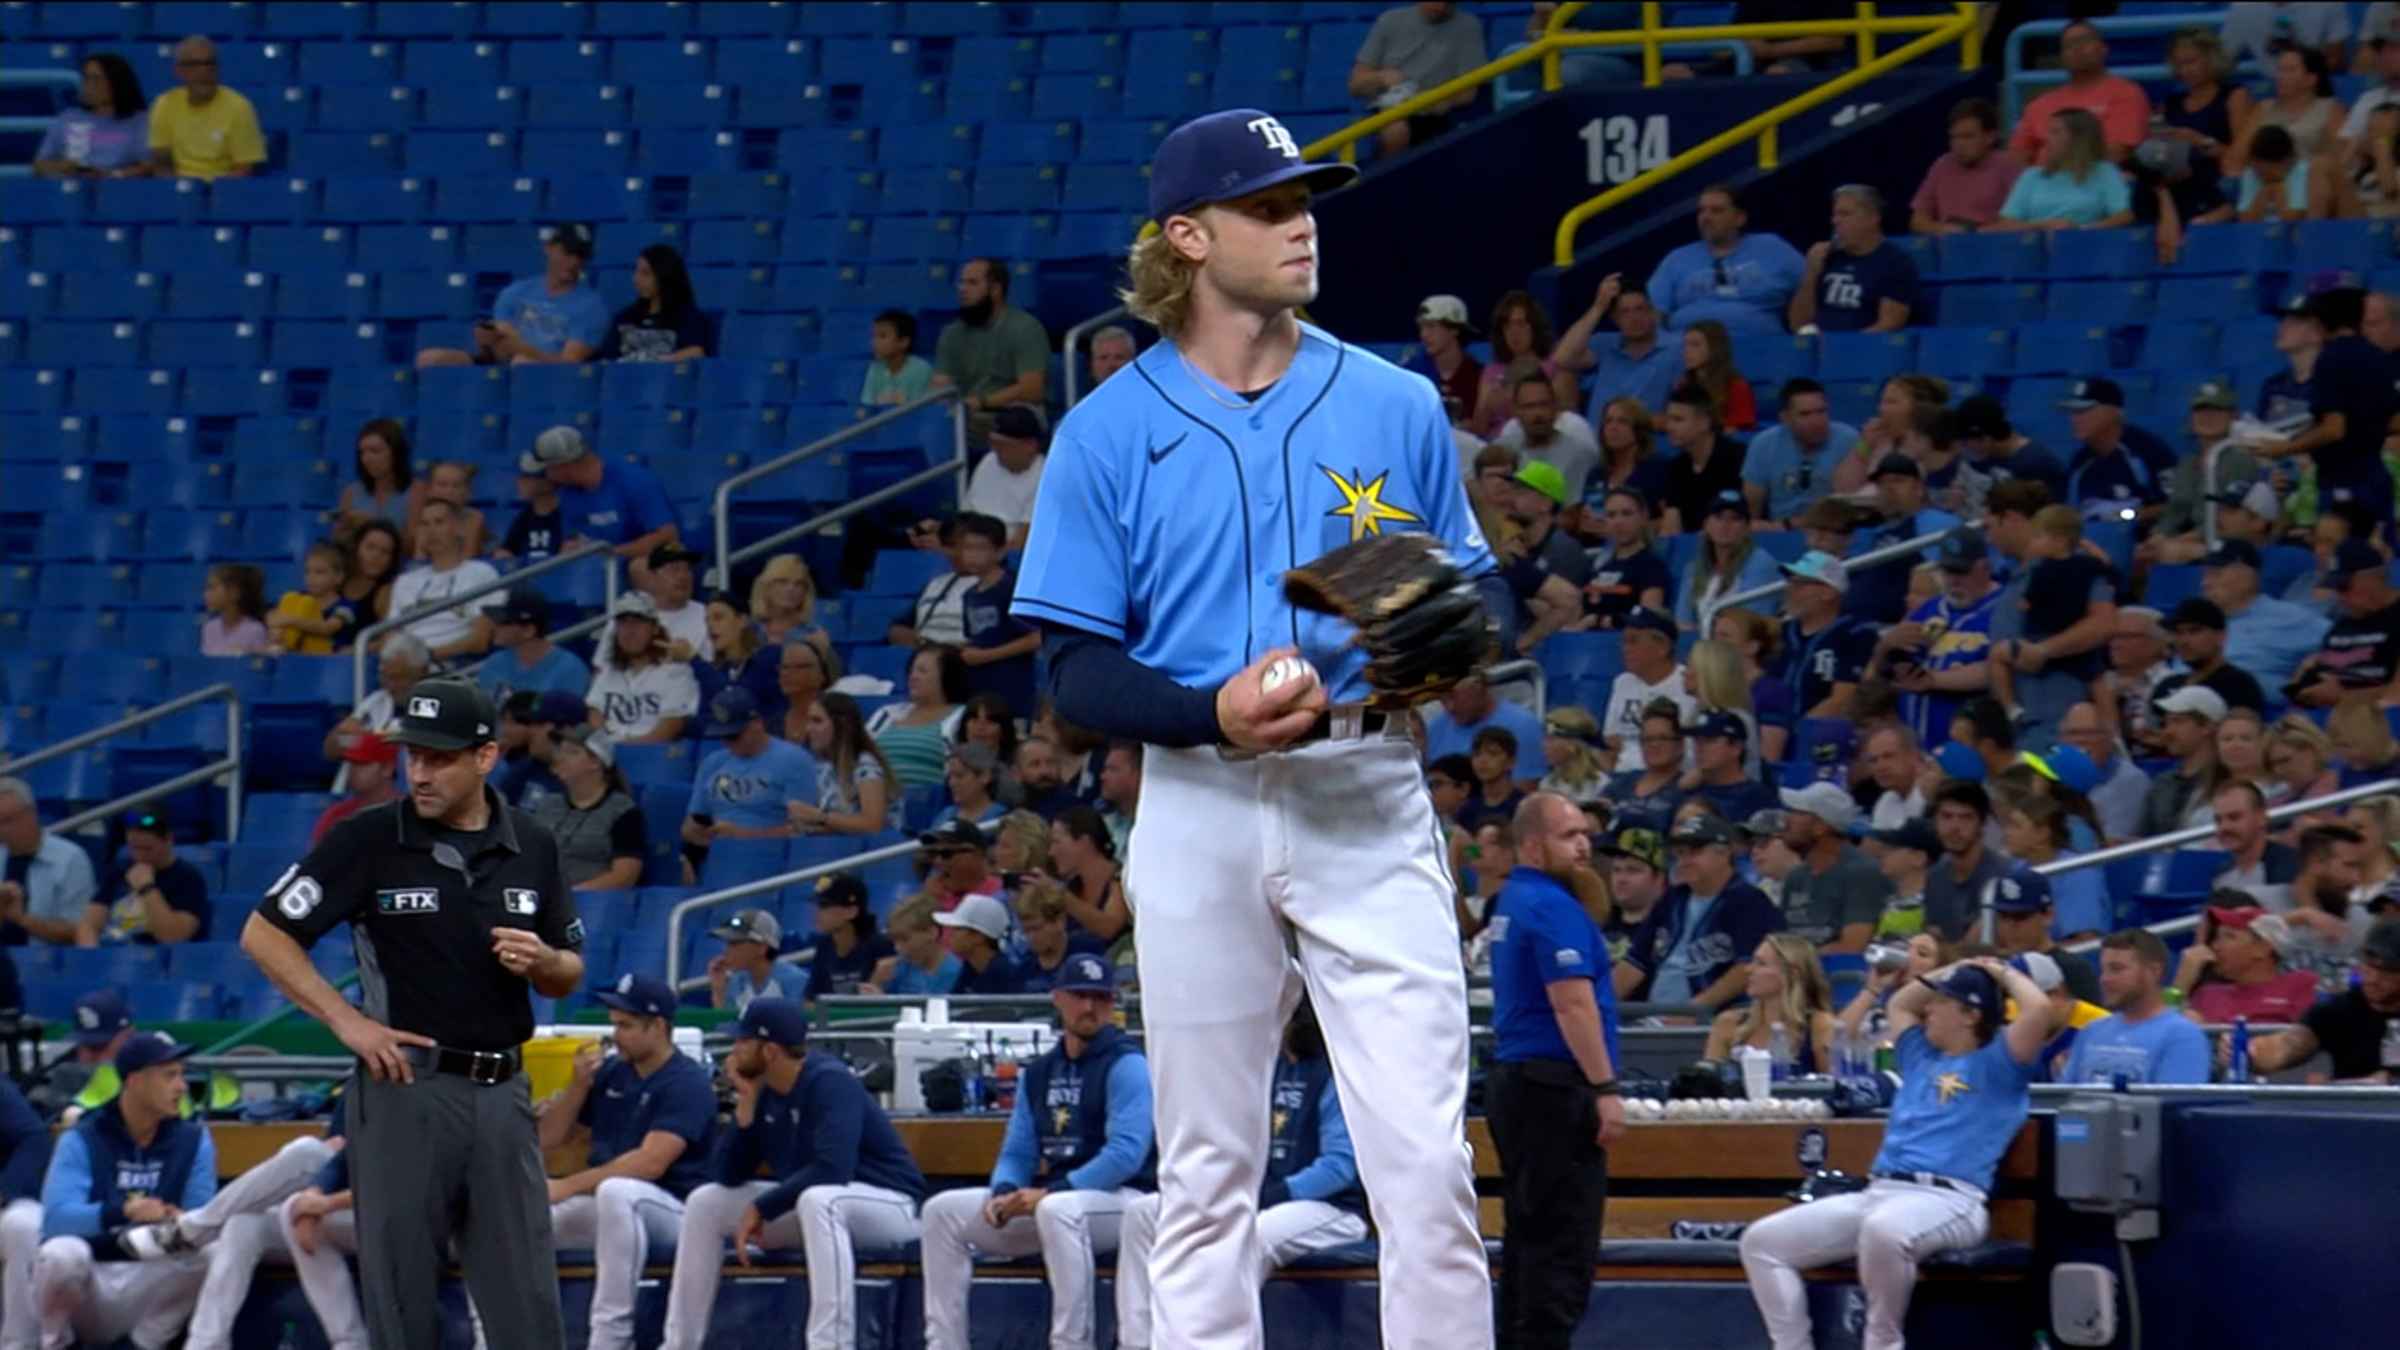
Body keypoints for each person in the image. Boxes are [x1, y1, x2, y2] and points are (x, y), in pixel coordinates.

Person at [1012, 109, 1494, 1350]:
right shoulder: (1110, 429)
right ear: (1188, 236)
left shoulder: (1389, 401)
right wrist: (1209, 711)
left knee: (1424, 1165)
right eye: (1268, 206)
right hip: (1198, 801)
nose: (1300, 224)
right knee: (1205, 1169)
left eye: (1305, 202)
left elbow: (1460, 623)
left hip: (1367, 790)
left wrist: (1410, 648)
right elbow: (1071, 673)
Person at [237, 676, 585, 1350]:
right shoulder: (369, 839)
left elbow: (571, 966)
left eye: (438, 757)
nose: (418, 772)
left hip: (504, 1092)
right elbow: (265, 933)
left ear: (484, 758)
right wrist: (348, 1021)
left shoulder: (534, 844)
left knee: (529, 1312)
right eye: (412, 756)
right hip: (406, 1090)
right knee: (403, 1305)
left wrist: (543, 962)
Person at [1739, 958, 2054, 1350]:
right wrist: (1957, 966)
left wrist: (1996, 970)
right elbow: (1900, 1003)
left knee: (1885, 1231)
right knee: (1762, 1242)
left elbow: (2040, 1009)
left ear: (1970, 1015)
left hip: (1951, 1198)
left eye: (1940, 1002)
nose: (1929, 1009)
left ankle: (1883, 1343)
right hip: (1881, 1192)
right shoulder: (1921, 1055)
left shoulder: (2000, 1063)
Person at [661, 996, 926, 1350]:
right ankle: (679, 1344)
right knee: (706, 1202)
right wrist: (746, 1106)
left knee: (819, 1200)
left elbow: (833, 1168)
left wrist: (761, 1208)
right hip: (814, 1212)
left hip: (889, 1206)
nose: (734, 1049)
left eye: (743, 1041)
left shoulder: (829, 1081)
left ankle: (829, 1345)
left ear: (770, 1050)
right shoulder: (764, 1090)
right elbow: (726, 1175)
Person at [920, 955, 1154, 1350]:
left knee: (1058, 1211)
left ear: (1112, 1004)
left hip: (1124, 1202)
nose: (1089, 1007)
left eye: (1100, 998)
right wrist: (1003, 1191)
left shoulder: (1127, 1063)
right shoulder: (1041, 1071)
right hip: (1059, 1200)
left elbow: (1126, 1155)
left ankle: (1071, 1344)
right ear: (1057, 999)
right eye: (1080, 996)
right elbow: (1017, 1152)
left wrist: (1049, 1193)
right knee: (941, 1211)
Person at [1480, 794, 1625, 1350]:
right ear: (1534, 846)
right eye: (1569, 836)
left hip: (1519, 1082)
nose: (1584, 844)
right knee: (1560, 1253)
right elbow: (1572, 1005)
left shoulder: (1512, 899)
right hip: (1554, 1085)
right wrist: (1605, 1087)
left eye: (1585, 833)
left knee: (1527, 1243)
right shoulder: (1551, 907)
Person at [534, 974, 716, 1350]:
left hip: (675, 1211)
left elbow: (650, 1165)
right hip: (611, 1208)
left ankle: (611, 1340)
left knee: (619, 1192)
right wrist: (577, 1086)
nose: (616, 1035)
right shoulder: (614, 1072)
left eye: (627, 1025)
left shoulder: (687, 1081)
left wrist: (565, 1187)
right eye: (615, 1024)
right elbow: (547, 1140)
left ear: (660, 1027)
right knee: (518, 1222)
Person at [20, 1032, 214, 1348]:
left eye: (181, 1075)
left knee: (212, 1249)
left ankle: (144, 1343)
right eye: (170, 1076)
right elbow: (56, 1220)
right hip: (92, 1280)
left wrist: (178, 1217)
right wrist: (124, 1211)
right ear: (135, 1081)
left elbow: (201, 1216)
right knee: (60, 1254)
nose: (182, 1087)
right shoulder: (83, 1138)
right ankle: (57, 1342)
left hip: (151, 1277)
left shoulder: (194, 1140)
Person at [2260, 287, 2400, 531]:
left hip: (2341, 477)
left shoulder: (2332, 358)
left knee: (2337, 549)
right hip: (2375, 476)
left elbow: (2334, 429)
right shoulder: (2377, 356)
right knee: (2375, 549)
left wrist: (2285, 448)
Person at [1623, 814, 1783, 1011]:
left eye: (1694, 852)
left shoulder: (1748, 901)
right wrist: (1598, 1007)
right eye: (1680, 853)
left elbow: (1746, 969)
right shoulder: (1672, 899)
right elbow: (1634, 964)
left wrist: (1692, 1011)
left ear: (1724, 853)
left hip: (1717, 1021)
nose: (1684, 861)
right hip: (1656, 1017)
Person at [419, 223, 609, 368]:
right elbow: (500, 349)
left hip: (547, 374)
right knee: (429, 359)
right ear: (549, 248)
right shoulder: (516, 292)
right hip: (500, 364)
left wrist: (521, 349)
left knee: (522, 363)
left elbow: (569, 364)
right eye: (568, 253)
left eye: (581, 256)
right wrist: (486, 340)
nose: (574, 262)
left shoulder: (591, 306)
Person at [2239, 914, 2400, 1081]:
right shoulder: (2340, 1009)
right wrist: (2253, 1051)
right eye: (2368, 966)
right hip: (2351, 1106)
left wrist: (2383, 1081)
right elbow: (2291, 1044)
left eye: (2386, 971)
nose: (2372, 979)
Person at [1645, 182, 1805, 336]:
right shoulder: (1677, 258)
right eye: (1702, 211)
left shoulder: (1772, 248)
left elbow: (1811, 284)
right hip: (1689, 354)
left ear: (1740, 218)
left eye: (1716, 211)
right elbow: (1652, 312)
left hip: (1762, 350)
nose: (1706, 217)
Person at [682, 687, 818, 867]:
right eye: (723, 736)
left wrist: (742, 835)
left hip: (772, 862)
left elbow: (805, 831)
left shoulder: (794, 760)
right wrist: (698, 833)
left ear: (757, 723)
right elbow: (691, 824)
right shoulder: (712, 763)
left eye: (734, 735)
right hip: (719, 860)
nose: (728, 742)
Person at [2058, 930, 2213, 1084]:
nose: (2105, 979)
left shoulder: (2182, 1036)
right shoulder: (2092, 1030)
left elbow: (2175, 1105)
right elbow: (2065, 1097)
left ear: (2154, 972)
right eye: (2103, 970)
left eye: (2116, 969)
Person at [933, 257, 1049, 445]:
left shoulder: (1025, 328)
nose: (962, 289)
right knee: (936, 424)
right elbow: (940, 386)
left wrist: (982, 402)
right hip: (969, 414)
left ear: (995, 289)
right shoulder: (952, 333)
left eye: (972, 283)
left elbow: (1032, 389)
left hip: (1015, 412)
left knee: (1014, 419)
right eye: (961, 282)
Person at [1348, 1, 1487, 156]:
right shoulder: (1390, 21)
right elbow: (1355, 86)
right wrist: (1380, 78)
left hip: (1436, 113)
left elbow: (1469, 92)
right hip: (1390, 109)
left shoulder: (1468, 27)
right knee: (1396, 131)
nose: (1440, 7)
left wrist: (1446, 101)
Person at [2006, 21, 2152, 163]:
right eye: (2069, 45)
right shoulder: (2039, 105)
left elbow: (2116, 153)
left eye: (2084, 41)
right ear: (2062, 57)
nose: (2077, 48)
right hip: (2041, 183)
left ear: (2103, 49)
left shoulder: (2126, 93)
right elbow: (2016, 159)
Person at [1553, 276, 1680, 433]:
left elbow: (1685, 414)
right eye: (1625, 312)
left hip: (1648, 448)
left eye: (1640, 309)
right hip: (1598, 448)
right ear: (1614, 319)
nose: (1634, 318)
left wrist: (1633, 422)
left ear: (1652, 312)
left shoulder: (1677, 349)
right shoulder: (1604, 344)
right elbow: (1562, 358)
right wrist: (1598, 307)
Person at [524, 725, 643, 891]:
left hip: (592, 904)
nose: (560, 758)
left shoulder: (622, 811)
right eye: (560, 751)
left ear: (595, 762)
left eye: (572, 752)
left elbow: (625, 876)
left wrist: (571, 895)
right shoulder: (547, 805)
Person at [1776, 781, 1891, 953]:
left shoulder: (1862, 873)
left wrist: (1800, 962)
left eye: (1797, 813)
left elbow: (1853, 947)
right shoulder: (1796, 878)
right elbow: (1783, 945)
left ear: (1820, 827)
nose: (1786, 820)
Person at [385, 497, 501, 662]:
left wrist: (426, 658)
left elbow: (479, 641)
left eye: (439, 522)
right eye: (425, 524)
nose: (431, 531)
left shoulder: (482, 573)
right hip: (406, 671)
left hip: (454, 669)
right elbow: (390, 637)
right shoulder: (405, 581)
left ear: (459, 528)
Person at [1789, 184, 1918, 333]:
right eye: (1835, 215)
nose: (1835, 221)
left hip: (1862, 349)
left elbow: (1889, 325)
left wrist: (1845, 347)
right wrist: (1811, 273)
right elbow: (1797, 325)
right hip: (1818, 348)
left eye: (1845, 214)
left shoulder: (1896, 263)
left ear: (1872, 218)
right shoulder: (1827, 258)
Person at [1705, 932, 1837, 1072]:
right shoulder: (1728, 1023)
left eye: (1761, 963)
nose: (1748, 969)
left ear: (1792, 973)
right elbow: (1709, 1085)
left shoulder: (1820, 1024)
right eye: (1752, 961)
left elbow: (1835, 1084)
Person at [2289, 540, 2400, 705]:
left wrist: (2343, 697)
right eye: (2337, 590)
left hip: (2378, 720)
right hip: (2324, 716)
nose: (2341, 597)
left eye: (2345, 587)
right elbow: (2301, 689)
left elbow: (2395, 695)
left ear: (2375, 577)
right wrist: (2303, 689)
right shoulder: (2342, 625)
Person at [2176, 899, 2319, 1023]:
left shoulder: (2301, 984)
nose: (2215, 946)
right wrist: (2180, 985)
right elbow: (2158, 1031)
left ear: (2262, 948)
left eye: (2229, 936)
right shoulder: (2207, 994)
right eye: (2217, 937)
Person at [1989, 109, 2135, 230]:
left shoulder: (2104, 172)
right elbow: (2006, 223)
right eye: (2048, 132)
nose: (2047, 138)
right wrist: (2042, 225)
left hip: (2087, 249)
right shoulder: (2031, 176)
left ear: (2079, 138)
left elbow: (2123, 217)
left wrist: (2081, 230)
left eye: (2055, 132)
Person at [78, 811, 208, 947]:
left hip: (167, 962)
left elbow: (172, 937)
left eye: (147, 849)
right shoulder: (119, 870)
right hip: (119, 955)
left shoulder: (188, 878)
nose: (139, 856)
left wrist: (147, 888)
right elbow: (89, 925)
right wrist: (91, 956)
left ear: (168, 841)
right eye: (134, 848)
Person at [586, 592, 701, 744]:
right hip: (607, 756)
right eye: (623, 623)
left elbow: (669, 729)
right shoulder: (607, 673)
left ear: (654, 628)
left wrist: (624, 747)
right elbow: (594, 716)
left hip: (654, 758)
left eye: (638, 622)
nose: (630, 630)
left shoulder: (677, 673)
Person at [145, 35, 263, 179]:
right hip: (177, 189)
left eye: (210, 64)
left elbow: (244, 170)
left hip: (222, 191)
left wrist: (208, 193)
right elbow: (162, 163)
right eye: (195, 64)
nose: (204, 71)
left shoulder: (239, 107)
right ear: (179, 70)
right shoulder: (164, 105)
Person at [1743, 380, 1859, 526]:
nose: (1816, 421)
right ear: (1785, 418)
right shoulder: (1763, 444)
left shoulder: (1849, 439)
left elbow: (1853, 504)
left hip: (1832, 531)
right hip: (1779, 534)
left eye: (1821, 411)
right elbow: (1749, 511)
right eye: (1805, 414)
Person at [1778, 550, 1877, 721]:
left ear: (1828, 592)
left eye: (1799, 584)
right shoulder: (1782, 632)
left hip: (1819, 736)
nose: (1789, 590)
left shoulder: (1855, 634)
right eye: (1789, 582)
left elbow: (1843, 699)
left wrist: (1796, 734)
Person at [0, 777, 98, 948]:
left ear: (31, 814)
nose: (3, 830)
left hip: (50, 964)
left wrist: (22, 919)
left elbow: (79, 930)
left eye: (8, 820)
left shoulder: (70, 859)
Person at [1909, 97, 2026, 232]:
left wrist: (1975, 234)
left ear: (1990, 137)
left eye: (1967, 137)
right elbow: (1917, 221)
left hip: (1993, 246)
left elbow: (2022, 221)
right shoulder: (1942, 165)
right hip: (1950, 246)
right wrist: (1946, 230)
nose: (1959, 145)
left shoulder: (2008, 166)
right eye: (1954, 137)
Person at [2230, 44, 2346, 174]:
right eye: (2279, 70)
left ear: (2311, 79)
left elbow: (2341, 158)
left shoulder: (2330, 109)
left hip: (2311, 182)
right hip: (2265, 181)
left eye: (2290, 70)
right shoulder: (2263, 108)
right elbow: (2236, 157)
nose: (2280, 76)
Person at [33, 52, 148, 178]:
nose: (88, 85)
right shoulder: (67, 118)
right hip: (72, 186)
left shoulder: (139, 121)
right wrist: (62, 167)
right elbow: (39, 165)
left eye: (96, 79)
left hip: (119, 189)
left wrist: (111, 175)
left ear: (116, 83)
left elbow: (148, 166)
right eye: (86, 78)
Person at [596, 243, 715, 363]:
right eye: (636, 272)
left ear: (665, 276)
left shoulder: (688, 317)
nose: (636, 279)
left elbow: (695, 352)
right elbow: (607, 359)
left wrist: (654, 363)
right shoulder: (624, 318)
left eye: (646, 274)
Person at [474, 585, 591, 704]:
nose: (494, 627)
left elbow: (565, 719)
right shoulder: (494, 664)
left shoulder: (571, 669)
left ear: (528, 630)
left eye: (503, 622)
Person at [1657, 385, 1748, 534]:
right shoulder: (1677, 467)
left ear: (1704, 423)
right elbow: (1671, 525)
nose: (1669, 427)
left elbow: (1739, 518)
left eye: (1678, 420)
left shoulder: (1737, 458)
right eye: (1668, 420)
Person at [1424, 675, 1546, 784]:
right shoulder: (1435, 729)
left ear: (1479, 687)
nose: (1449, 708)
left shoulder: (1522, 726)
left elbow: (1525, 797)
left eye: (1453, 697)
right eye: (1442, 699)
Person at [964, 405, 1048, 550]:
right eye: (993, 443)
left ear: (1030, 445)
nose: (995, 451)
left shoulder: (1047, 477)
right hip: (972, 546)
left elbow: (1021, 543)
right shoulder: (989, 461)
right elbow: (965, 516)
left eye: (1002, 445)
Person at [268, 542, 360, 655]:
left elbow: (327, 628)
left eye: (319, 572)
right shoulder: (297, 598)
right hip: (296, 657)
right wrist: (276, 632)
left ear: (338, 577)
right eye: (307, 572)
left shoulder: (346, 606)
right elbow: (272, 618)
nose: (311, 578)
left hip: (329, 661)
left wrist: (291, 620)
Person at [707, 908, 806, 1012]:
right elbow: (724, 1025)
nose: (727, 951)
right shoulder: (735, 982)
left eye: (735, 943)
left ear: (762, 948)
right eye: (728, 944)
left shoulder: (797, 982)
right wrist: (718, 991)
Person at [932, 891, 1025, 994]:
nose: (950, 934)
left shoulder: (1006, 977)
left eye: (958, 929)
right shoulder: (969, 969)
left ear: (978, 936)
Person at [869, 895, 964, 995]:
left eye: (904, 939)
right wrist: (876, 982)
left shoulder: (957, 975)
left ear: (931, 932)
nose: (897, 948)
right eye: (894, 940)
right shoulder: (897, 969)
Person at [860, 308, 936, 411]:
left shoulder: (921, 369)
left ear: (903, 342)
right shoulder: (875, 368)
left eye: (882, 336)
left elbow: (922, 410)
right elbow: (867, 406)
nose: (874, 342)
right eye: (873, 336)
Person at [496, 462, 565, 563]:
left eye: (527, 477)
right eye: (521, 476)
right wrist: (504, 555)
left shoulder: (566, 516)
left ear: (548, 482)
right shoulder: (524, 517)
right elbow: (507, 549)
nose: (519, 481)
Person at [199, 562, 272, 656]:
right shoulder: (209, 628)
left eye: (212, 588)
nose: (206, 595)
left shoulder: (255, 630)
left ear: (235, 593)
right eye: (206, 588)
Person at [341, 518, 404, 621]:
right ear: (356, 547)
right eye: (370, 547)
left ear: (392, 560)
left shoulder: (386, 593)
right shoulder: (336, 579)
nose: (376, 555)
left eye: (385, 551)